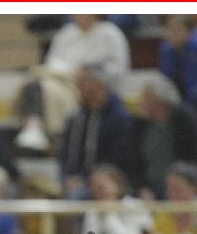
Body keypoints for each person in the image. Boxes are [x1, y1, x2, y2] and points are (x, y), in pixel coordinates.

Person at [15, 14, 131, 151]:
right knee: (38, 85)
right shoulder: (66, 33)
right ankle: (33, 126)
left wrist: (90, 72)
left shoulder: (110, 33)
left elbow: (118, 68)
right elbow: (52, 62)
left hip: (88, 86)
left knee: (49, 91)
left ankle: (37, 128)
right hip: (61, 79)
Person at [57, 65, 135, 198]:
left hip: (106, 182)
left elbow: (118, 159)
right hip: (73, 182)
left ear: (97, 84)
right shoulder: (76, 118)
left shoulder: (119, 118)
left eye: (82, 83)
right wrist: (66, 177)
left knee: (77, 196)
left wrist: (86, 179)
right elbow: (64, 154)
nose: (78, 88)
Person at [133, 73, 197, 199]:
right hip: (149, 186)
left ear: (160, 101)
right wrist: (141, 188)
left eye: (145, 99)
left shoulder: (185, 119)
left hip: (180, 185)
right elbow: (133, 161)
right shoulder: (139, 123)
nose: (140, 102)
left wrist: (183, 186)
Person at [82, 163, 153, 234]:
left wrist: (109, 214)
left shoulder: (136, 206)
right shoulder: (93, 210)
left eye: (102, 186)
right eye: (95, 187)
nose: (98, 191)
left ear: (118, 184)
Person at [158, 15, 197, 100]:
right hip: (175, 90)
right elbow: (166, 77)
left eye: (178, 30)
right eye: (170, 29)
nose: (173, 33)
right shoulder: (166, 49)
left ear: (190, 33)